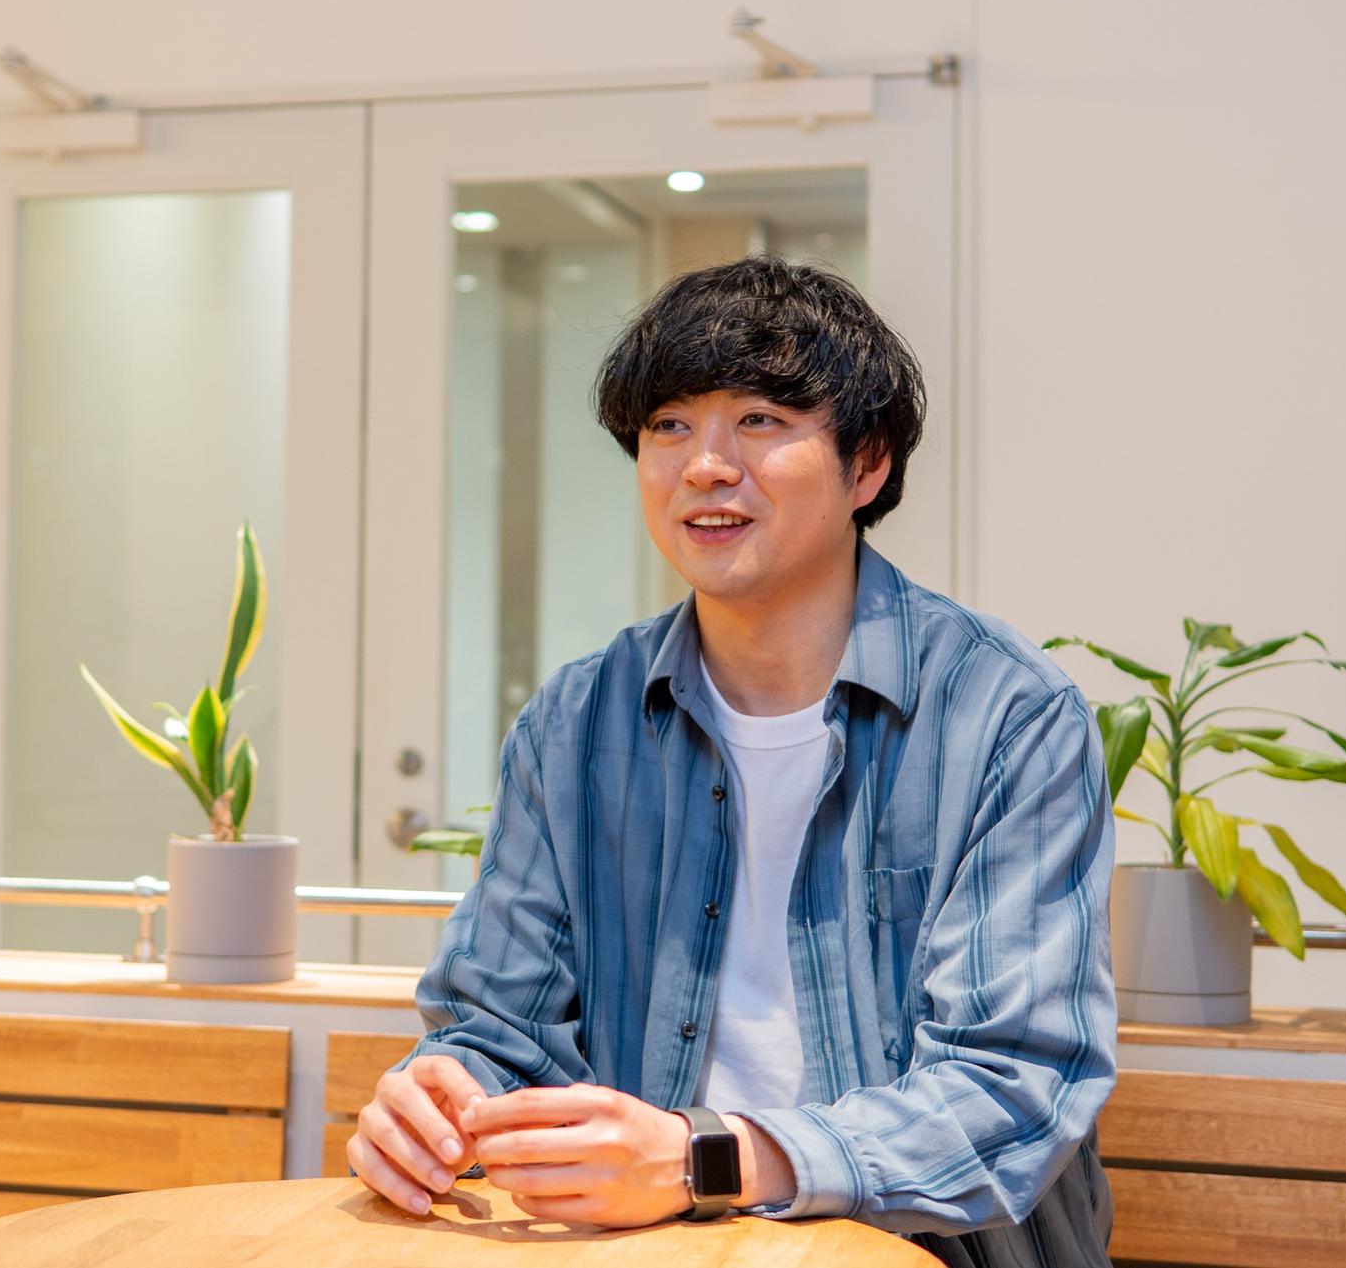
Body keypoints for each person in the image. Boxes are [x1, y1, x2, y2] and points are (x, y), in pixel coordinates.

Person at [348, 255, 1117, 1267]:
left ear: (867, 465)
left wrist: (704, 1159)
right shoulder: (576, 722)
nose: (704, 465)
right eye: (668, 425)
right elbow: (501, 1027)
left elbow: (1010, 1083)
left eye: (759, 419)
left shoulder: (1006, 715)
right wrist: (442, 1096)